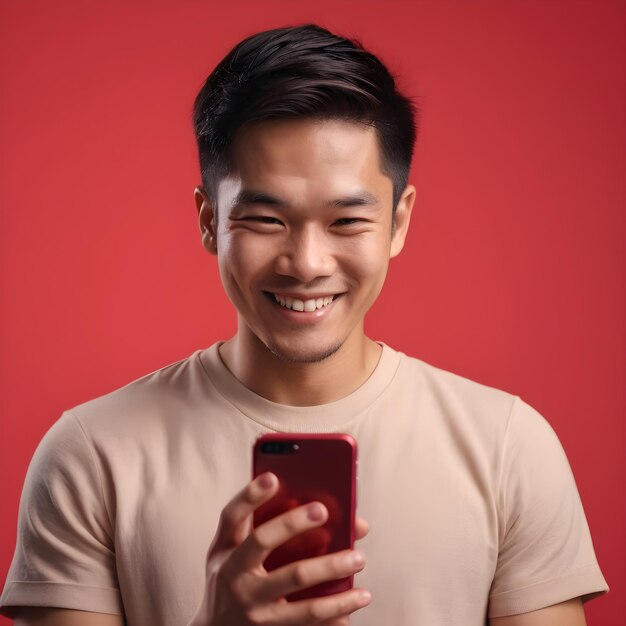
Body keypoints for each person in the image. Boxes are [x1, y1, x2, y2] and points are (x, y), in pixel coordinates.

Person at [0, 23, 609, 626]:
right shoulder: (90, 455)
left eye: (346, 222)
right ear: (209, 220)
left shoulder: (508, 447)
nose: (307, 264)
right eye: (266, 219)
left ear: (399, 223)